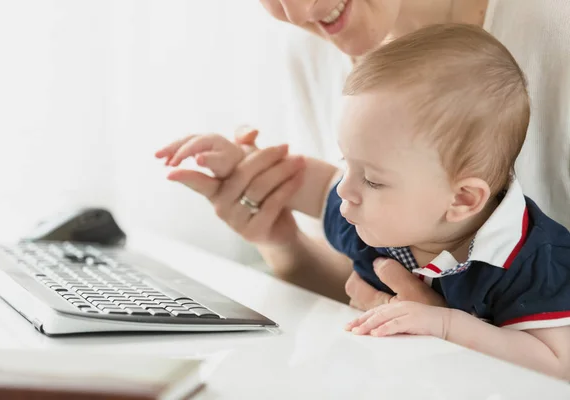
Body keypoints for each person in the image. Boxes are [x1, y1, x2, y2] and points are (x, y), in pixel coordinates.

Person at [157, 24, 570, 379]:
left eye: (372, 178)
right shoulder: (370, 213)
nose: (342, 189)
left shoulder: (529, 261)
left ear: (461, 199)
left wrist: (446, 325)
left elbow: (555, 363)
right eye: (345, 160)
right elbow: (306, 181)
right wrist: (237, 163)